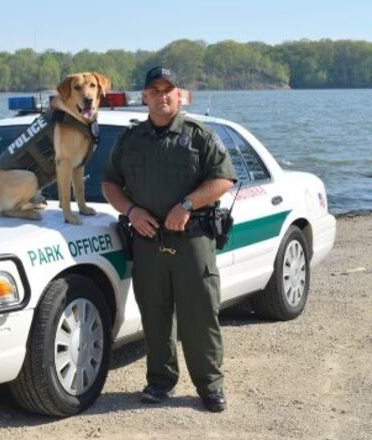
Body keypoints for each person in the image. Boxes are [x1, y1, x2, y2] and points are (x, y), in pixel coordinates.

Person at [101, 66, 237, 412]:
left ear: (179, 95)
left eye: (168, 90)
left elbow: (223, 178)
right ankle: (160, 382)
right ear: (144, 97)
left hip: (192, 241)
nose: (161, 96)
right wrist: (131, 211)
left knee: (200, 317)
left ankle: (210, 386)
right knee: (155, 318)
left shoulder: (198, 135)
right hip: (147, 243)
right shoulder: (130, 140)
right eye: (154, 91)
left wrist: (188, 204)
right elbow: (110, 184)